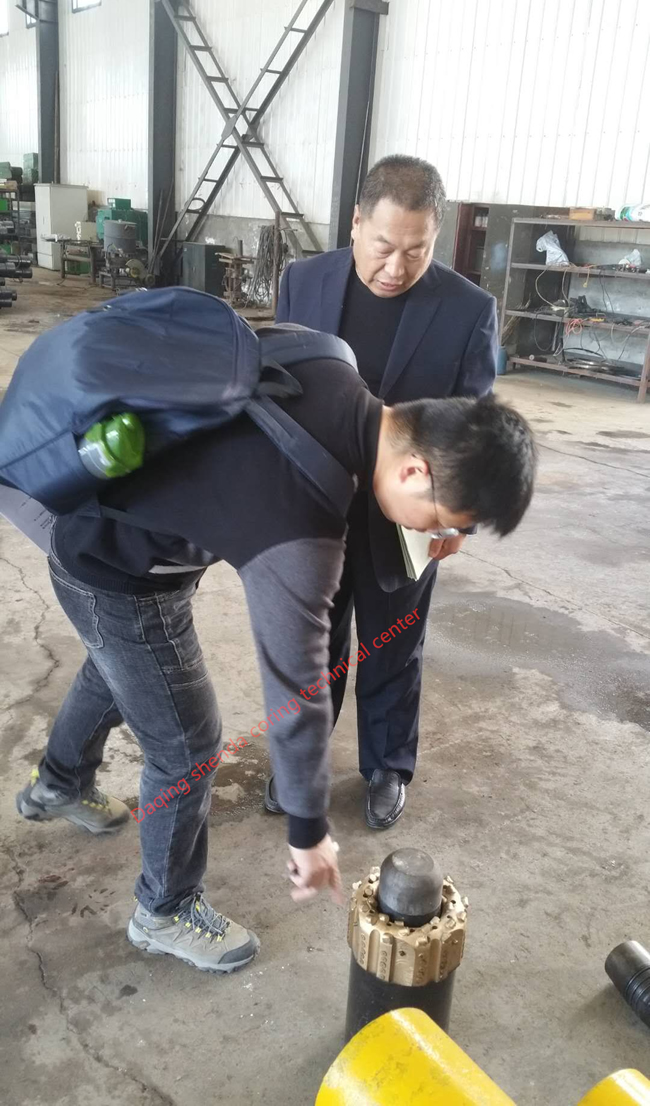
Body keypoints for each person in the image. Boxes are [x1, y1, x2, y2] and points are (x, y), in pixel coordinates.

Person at [16, 338, 535, 976]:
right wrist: (310, 831)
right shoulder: (301, 526)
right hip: (114, 567)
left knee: (118, 668)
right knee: (187, 744)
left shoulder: (329, 359)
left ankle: (59, 784)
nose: (438, 537)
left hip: (111, 523)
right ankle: (164, 910)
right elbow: (297, 689)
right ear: (414, 472)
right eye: (443, 522)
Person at [270, 155, 498, 829]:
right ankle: (303, 764)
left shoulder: (468, 311)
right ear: (356, 223)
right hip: (316, 506)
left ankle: (387, 765)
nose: (396, 267)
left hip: (408, 516)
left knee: (394, 641)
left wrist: (458, 519)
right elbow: (279, 387)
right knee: (313, 645)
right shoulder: (304, 282)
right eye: (383, 247)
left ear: (435, 237)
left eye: (416, 251)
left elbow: (474, 427)